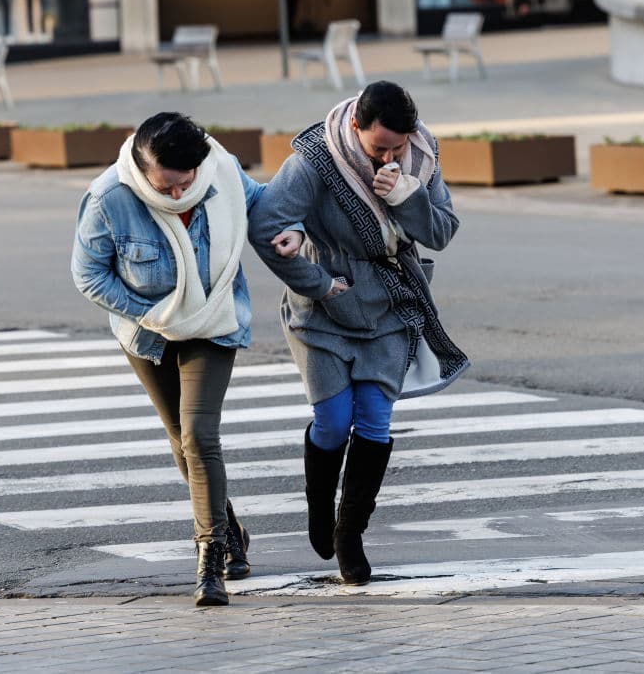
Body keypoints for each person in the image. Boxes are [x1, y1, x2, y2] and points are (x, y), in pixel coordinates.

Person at [249, 81, 469, 586]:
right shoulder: (316, 158)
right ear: (355, 127)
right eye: (380, 148)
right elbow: (266, 225)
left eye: (398, 146)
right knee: (332, 420)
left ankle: (351, 535)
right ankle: (319, 505)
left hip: (390, 299)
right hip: (324, 303)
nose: (391, 157)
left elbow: (442, 231)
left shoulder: (422, 154)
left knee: (373, 419)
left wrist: (408, 196)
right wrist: (321, 284)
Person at [72, 112, 264, 607]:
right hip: (149, 332)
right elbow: (89, 275)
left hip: (214, 321)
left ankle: (210, 559)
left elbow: (261, 207)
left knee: (199, 435)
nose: (179, 194)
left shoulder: (220, 171)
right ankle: (229, 527)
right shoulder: (109, 198)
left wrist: (289, 236)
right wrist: (154, 315)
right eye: (168, 186)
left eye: (187, 184)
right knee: (181, 439)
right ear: (142, 167)